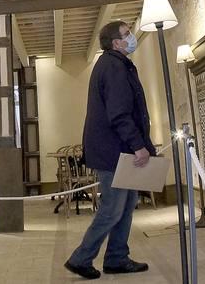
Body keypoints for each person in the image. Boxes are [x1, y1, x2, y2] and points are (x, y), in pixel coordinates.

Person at [64, 20, 154, 279]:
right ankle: (81, 258)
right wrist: (138, 145)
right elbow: (119, 113)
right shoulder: (114, 66)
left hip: (117, 149)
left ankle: (117, 257)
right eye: (127, 34)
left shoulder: (115, 64)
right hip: (114, 150)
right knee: (113, 207)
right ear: (116, 43)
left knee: (126, 205)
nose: (132, 37)